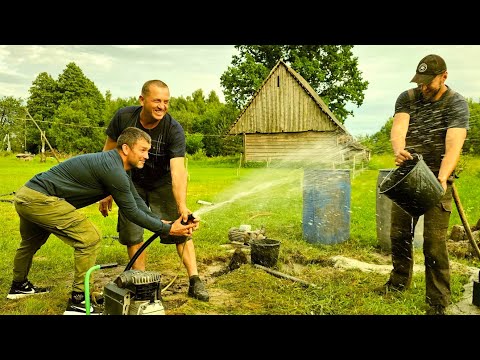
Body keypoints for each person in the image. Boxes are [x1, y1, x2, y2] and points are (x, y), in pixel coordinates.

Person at [7, 127, 197, 314]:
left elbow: (136, 202)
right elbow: (131, 212)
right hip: (39, 199)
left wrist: (162, 223)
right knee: (89, 238)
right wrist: (169, 230)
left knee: (31, 243)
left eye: (148, 151)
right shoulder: (113, 169)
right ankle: (78, 301)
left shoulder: (119, 167)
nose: (147, 156)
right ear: (125, 148)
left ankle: (19, 286)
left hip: (27, 195)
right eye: (143, 150)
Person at [375, 54, 470, 315]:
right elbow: (399, 128)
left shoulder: (457, 104)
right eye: (420, 81)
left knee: (434, 243)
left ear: (444, 77)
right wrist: (399, 150)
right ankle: (397, 283)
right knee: (399, 234)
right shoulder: (407, 97)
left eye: (429, 82)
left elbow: (454, 145)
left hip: (439, 178)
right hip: (409, 175)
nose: (423, 87)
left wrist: (442, 177)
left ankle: (438, 301)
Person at [98, 79, 209, 302]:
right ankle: (141, 283)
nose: (162, 106)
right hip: (130, 183)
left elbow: (178, 170)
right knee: (132, 233)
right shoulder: (123, 117)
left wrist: (182, 206)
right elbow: (108, 153)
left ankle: (195, 279)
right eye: (157, 100)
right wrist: (106, 189)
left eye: (166, 101)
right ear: (142, 100)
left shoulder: (173, 129)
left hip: (163, 183)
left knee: (181, 229)